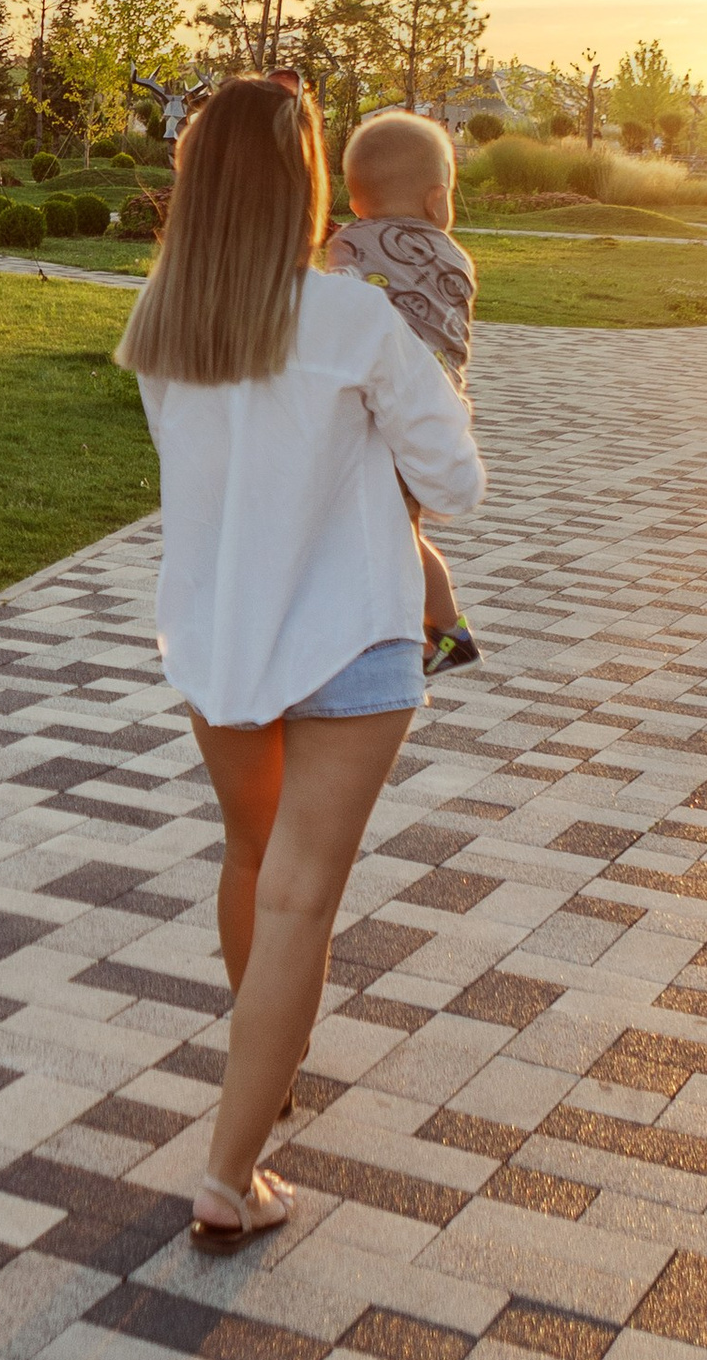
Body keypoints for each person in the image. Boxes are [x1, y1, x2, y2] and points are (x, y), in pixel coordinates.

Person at [116, 74, 482, 1249]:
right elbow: (455, 485)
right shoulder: (354, 322)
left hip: (218, 639)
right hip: (347, 639)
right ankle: (229, 1179)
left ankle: (259, 1077)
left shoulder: (161, 324)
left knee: (251, 858)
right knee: (301, 898)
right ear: (305, 182)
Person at [323, 110, 480, 675]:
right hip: (435, 409)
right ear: (438, 200)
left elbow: (341, 310)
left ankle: (442, 631)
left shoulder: (348, 244)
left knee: (395, 531)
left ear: (355, 199)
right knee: (400, 527)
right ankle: (441, 629)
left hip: (377, 410)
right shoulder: (454, 256)